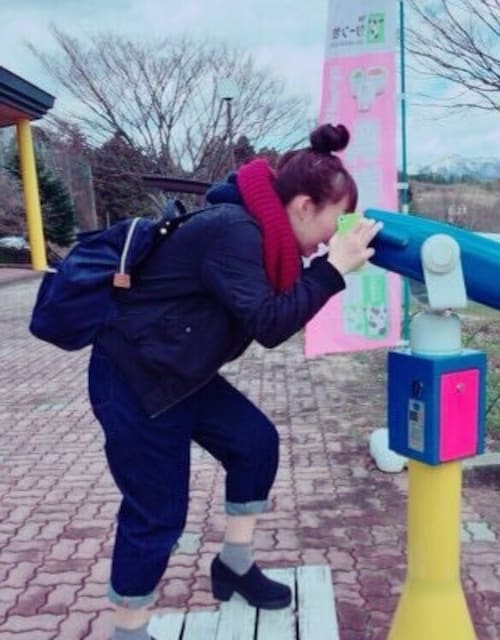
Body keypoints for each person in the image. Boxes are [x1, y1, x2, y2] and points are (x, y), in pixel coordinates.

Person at [88, 123, 381, 640]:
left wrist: (326, 268)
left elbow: (274, 307)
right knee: (157, 514)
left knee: (254, 443)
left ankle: (234, 566)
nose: (333, 237)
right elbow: (269, 322)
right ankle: (127, 632)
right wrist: (332, 270)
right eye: (335, 221)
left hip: (180, 372)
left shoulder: (262, 233)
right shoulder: (234, 231)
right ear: (304, 206)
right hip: (136, 380)